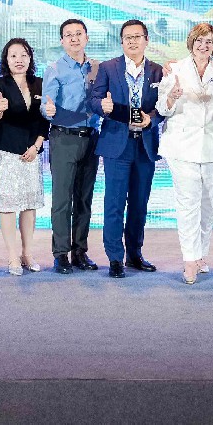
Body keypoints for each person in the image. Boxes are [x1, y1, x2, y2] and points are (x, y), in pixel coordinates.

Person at [158, 23, 213, 284]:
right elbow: (162, 108)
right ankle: (189, 259)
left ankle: (201, 253)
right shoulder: (175, 69)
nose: (204, 46)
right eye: (199, 41)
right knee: (188, 203)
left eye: (209, 42)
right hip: (181, 146)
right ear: (191, 42)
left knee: (209, 203)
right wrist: (171, 97)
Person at [89, 20, 164, 278]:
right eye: (127, 38)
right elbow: (94, 99)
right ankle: (114, 258)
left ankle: (134, 253)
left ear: (146, 40)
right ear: (121, 42)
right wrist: (102, 106)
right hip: (117, 145)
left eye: (137, 36)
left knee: (139, 204)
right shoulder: (108, 68)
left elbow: (164, 107)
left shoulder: (157, 71)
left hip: (145, 145)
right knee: (114, 203)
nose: (132, 41)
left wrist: (151, 119)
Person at [41, 19, 101, 274]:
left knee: (84, 199)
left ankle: (80, 251)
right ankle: (60, 254)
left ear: (86, 37)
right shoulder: (54, 69)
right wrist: (48, 110)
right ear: (62, 41)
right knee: (62, 199)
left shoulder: (98, 68)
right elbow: (46, 105)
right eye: (68, 35)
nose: (74, 38)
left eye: (78, 34)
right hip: (64, 137)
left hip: (92, 138)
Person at [0, 38, 49, 276]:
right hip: (8, 152)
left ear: (30, 58)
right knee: (8, 206)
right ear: (6, 59)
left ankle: (27, 254)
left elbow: (45, 118)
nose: (19, 60)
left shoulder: (40, 83)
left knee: (29, 206)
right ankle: (12, 256)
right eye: (13, 55)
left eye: (23, 55)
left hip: (32, 152)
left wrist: (37, 146)